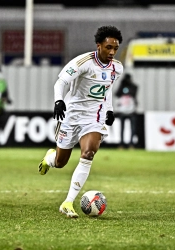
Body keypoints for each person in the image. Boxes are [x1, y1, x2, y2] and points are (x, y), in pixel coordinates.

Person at [38, 25, 123, 218]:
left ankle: (68, 202)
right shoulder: (83, 62)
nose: (112, 52)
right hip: (71, 115)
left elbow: (107, 88)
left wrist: (109, 109)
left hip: (94, 117)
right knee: (61, 162)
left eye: (115, 48)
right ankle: (50, 158)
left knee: (88, 152)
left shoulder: (117, 68)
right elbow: (61, 82)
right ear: (98, 45)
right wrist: (59, 101)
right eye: (108, 47)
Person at [115, 73, 138, 149]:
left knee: (133, 128)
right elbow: (117, 94)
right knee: (122, 128)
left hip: (131, 110)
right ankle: (121, 143)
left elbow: (134, 93)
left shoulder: (133, 86)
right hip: (122, 110)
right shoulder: (122, 87)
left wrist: (129, 84)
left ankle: (131, 144)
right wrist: (122, 85)